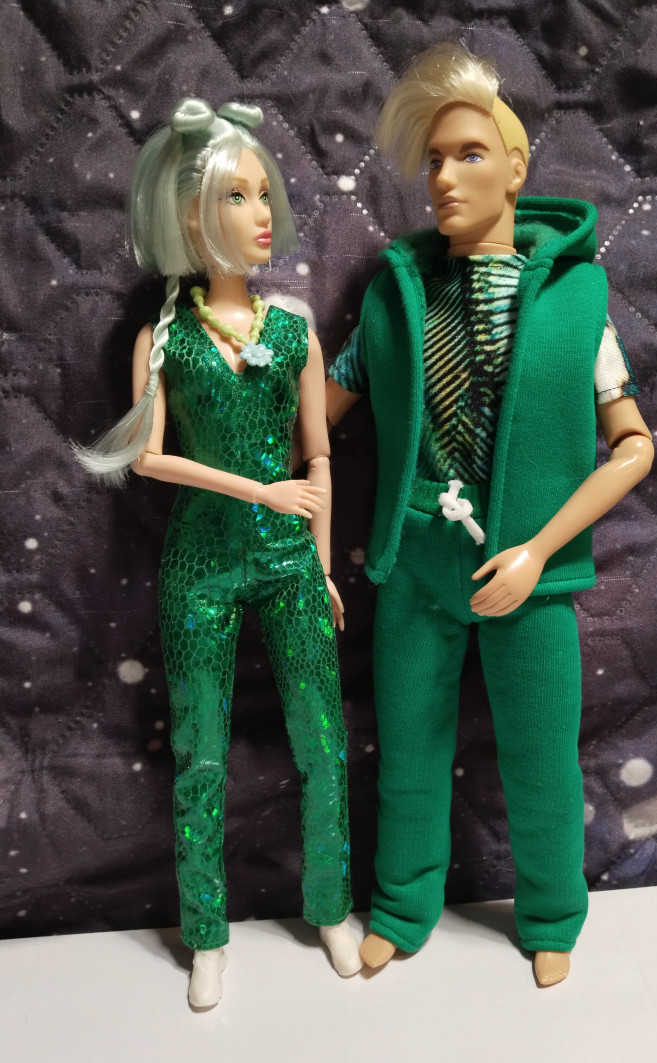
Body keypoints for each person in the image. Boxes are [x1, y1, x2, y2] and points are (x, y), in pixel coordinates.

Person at [325, 44, 654, 987]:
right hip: (417, 563)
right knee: (409, 754)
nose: (444, 177)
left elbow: (634, 444)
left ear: (516, 168)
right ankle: (401, 903)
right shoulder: (395, 300)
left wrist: (539, 549)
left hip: (531, 574)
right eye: (433, 159)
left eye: (469, 154)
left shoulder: (577, 300)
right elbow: (324, 409)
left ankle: (552, 910)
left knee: (542, 757)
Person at [75, 98, 361, 1007]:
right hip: (199, 563)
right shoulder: (164, 340)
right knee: (200, 753)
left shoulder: (294, 331)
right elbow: (148, 457)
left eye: (264, 192)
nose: (263, 212)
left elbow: (320, 457)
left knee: (323, 742)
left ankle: (330, 905)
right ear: (194, 220)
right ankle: (206, 932)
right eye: (239, 196)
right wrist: (259, 490)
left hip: (289, 562)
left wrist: (321, 563)